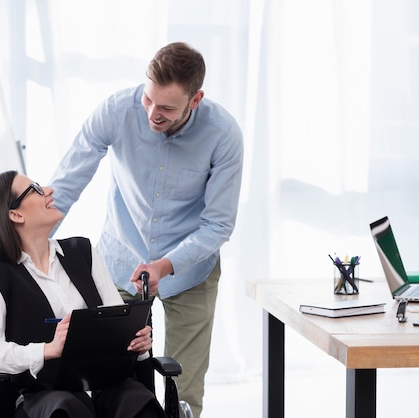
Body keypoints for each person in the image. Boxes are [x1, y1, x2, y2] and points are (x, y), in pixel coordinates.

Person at [49, 41, 244, 417]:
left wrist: (165, 265)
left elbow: (219, 224)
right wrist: (29, 242)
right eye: (149, 100)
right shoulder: (116, 111)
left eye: (167, 108)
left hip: (191, 271)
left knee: (183, 388)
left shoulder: (223, 135)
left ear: (196, 99)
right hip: (121, 262)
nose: (153, 113)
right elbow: (68, 182)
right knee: (114, 377)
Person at [0, 170, 165, 418]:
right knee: (65, 409)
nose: (49, 191)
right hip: (45, 394)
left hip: (107, 384)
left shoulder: (83, 252)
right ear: (16, 214)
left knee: (139, 403)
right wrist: (47, 349)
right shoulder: (2, 279)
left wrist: (138, 342)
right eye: (36, 189)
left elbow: (117, 318)